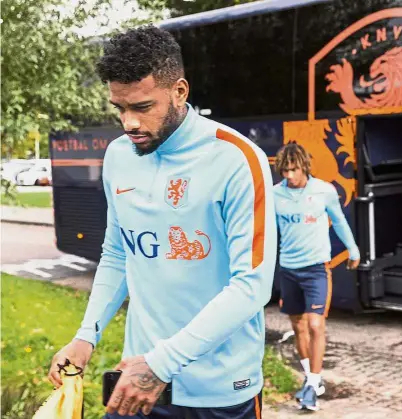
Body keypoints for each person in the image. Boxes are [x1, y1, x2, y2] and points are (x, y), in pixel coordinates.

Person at [47, 26, 277, 419]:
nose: (129, 123)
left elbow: (251, 286)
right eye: (119, 108)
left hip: (219, 394)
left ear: (180, 92)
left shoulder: (237, 159)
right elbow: (118, 254)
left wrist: (162, 364)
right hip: (137, 381)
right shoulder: (118, 156)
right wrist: (86, 337)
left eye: (142, 107)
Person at [273, 142, 360, 412]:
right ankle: (312, 378)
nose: (289, 176)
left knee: (315, 325)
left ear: (304, 167)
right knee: (298, 327)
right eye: (285, 170)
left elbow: (340, 221)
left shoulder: (324, 191)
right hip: (288, 269)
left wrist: (353, 249)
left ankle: (311, 385)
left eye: (294, 169)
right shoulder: (275, 194)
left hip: (316, 270)